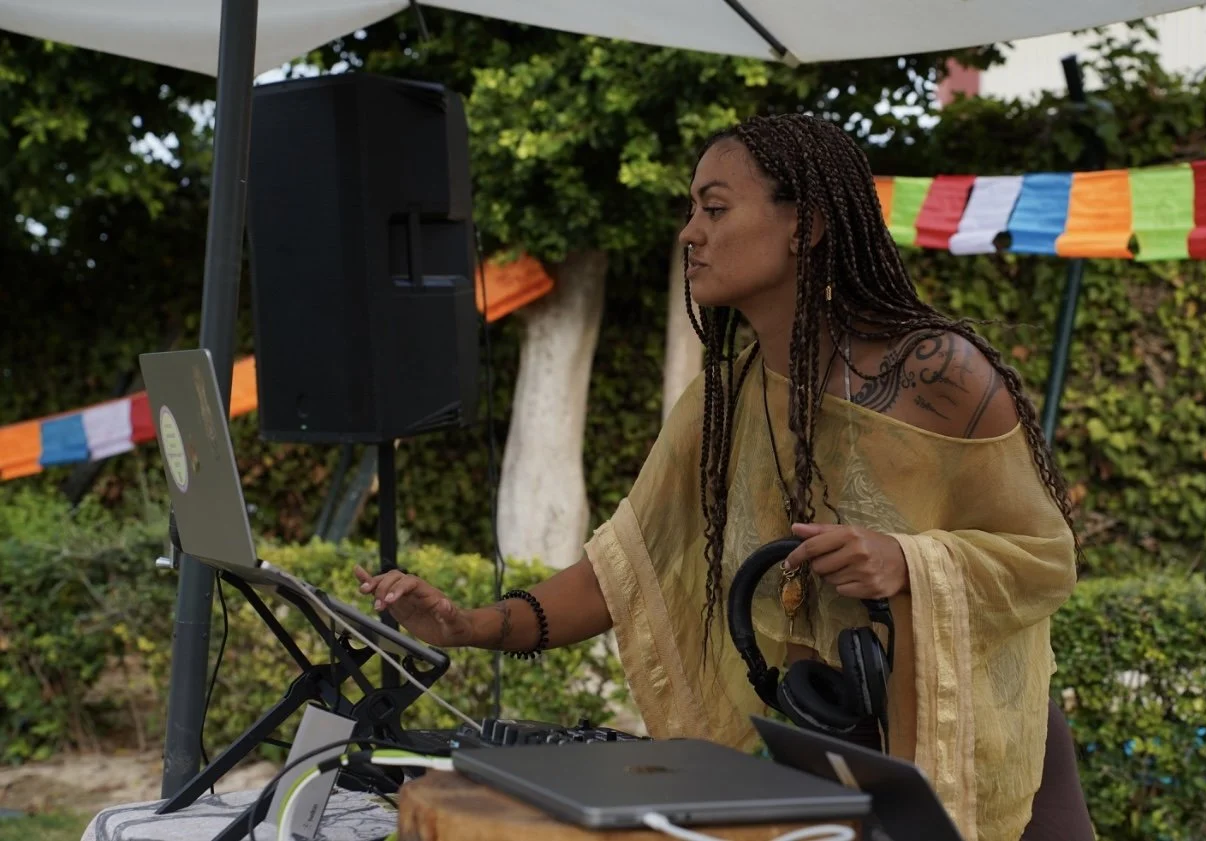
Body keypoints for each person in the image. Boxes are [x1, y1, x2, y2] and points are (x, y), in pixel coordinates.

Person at [353, 114, 1090, 841]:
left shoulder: (938, 373)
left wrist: (906, 560)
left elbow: (1047, 557)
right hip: (823, 765)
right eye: (689, 211)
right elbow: (623, 567)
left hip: (984, 775)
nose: (689, 233)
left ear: (807, 227)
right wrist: (470, 624)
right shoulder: (724, 397)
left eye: (714, 207)